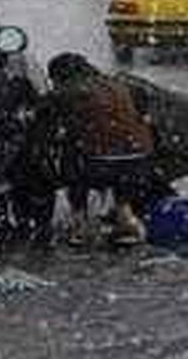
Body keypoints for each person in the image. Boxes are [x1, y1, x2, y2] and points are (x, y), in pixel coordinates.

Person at [47, 53, 152, 246]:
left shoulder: (67, 91)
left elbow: (47, 122)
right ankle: (126, 216)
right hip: (139, 162)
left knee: (71, 151)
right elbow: (143, 102)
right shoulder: (120, 85)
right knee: (120, 166)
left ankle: (79, 222)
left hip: (98, 164)